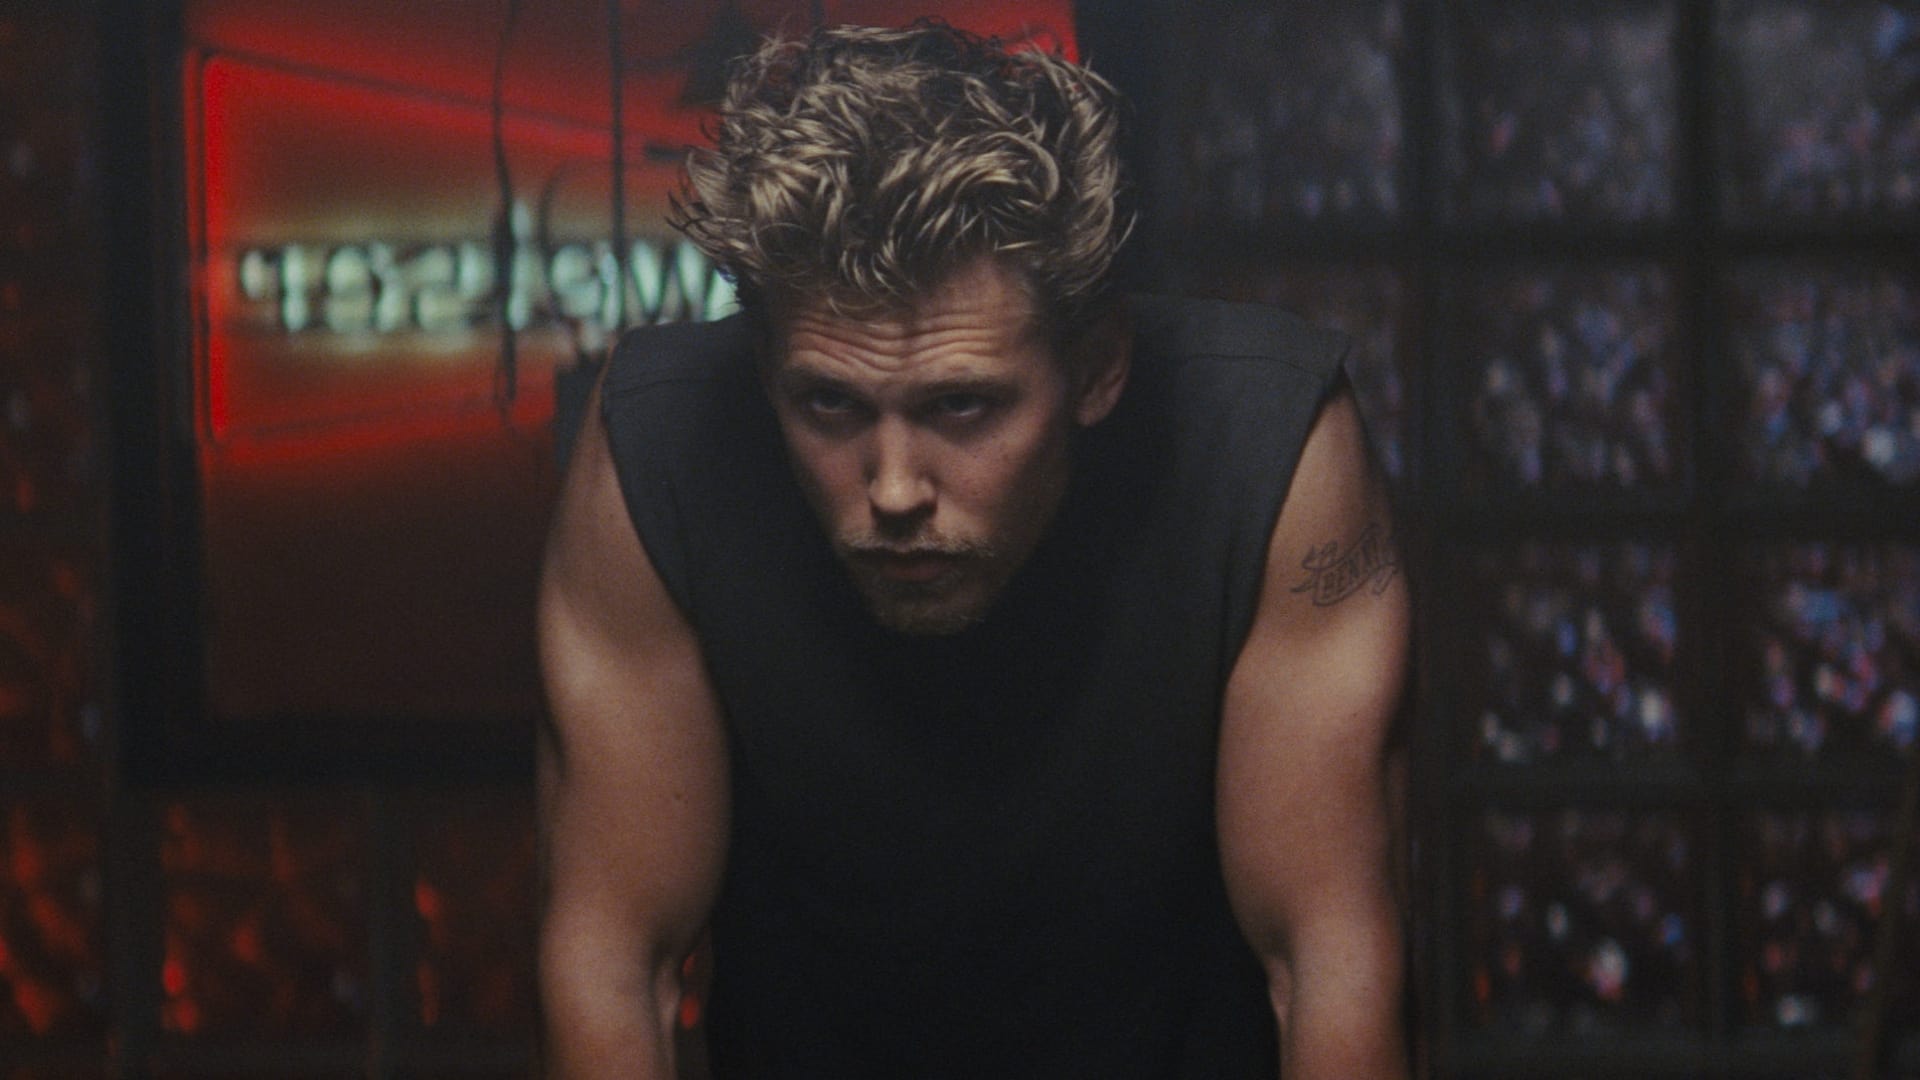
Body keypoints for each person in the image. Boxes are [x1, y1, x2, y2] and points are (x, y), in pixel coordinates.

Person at [537, 20, 1410, 1079]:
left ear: (1097, 368)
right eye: (830, 405)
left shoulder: (1267, 448)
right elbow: (616, 958)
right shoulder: (658, 444)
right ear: (765, 369)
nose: (895, 489)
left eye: (961, 406)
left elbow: (1327, 954)